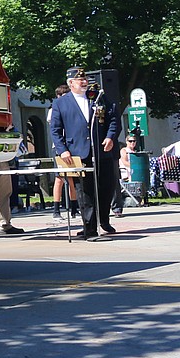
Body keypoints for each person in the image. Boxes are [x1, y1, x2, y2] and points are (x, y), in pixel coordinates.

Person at [50, 66, 121, 240]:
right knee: (84, 191)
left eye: (85, 79)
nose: (84, 82)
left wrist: (111, 137)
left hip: (102, 150)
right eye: (79, 80)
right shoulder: (61, 103)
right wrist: (62, 150)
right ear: (70, 83)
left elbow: (113, 119)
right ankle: (89, 228)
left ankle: (103, 220)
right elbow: (55, 130)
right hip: (78, 153)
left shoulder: (98, 97)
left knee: (106, 187)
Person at [48, 83, 77, 222]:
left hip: (72, 146)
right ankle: (56, 209)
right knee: (59, 178)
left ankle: (74, 208)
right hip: (59, 148)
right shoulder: (55, 108)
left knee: (73, 177)